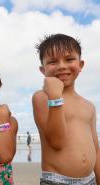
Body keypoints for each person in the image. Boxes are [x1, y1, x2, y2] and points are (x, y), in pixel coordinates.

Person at [32, 33, 100, 184]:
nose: (62, 66)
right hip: (58, 180)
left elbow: (96, 150)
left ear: (80, 65)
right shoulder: (42, 97)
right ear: (43, 70)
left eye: (69, 59)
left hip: (90, 180)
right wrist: (55, 97)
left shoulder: (88, 106)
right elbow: (57, 142)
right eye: (53, 62)